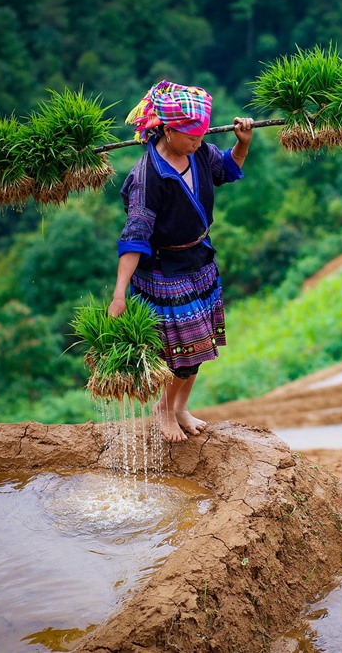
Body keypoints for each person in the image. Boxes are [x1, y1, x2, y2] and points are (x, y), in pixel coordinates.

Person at [108, 80, 254, 443]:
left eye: (201, 137)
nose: (198, 143)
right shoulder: (148, 176)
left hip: (200, 260)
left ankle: (180, 408)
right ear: (169, 131)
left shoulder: (200, 153)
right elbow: (135, 237)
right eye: (191, 137)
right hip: (164, 271)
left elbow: (227, 169)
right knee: (181, 354)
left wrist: (242, 143)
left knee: (200, 348)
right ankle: (162, 410)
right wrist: (119, 295)